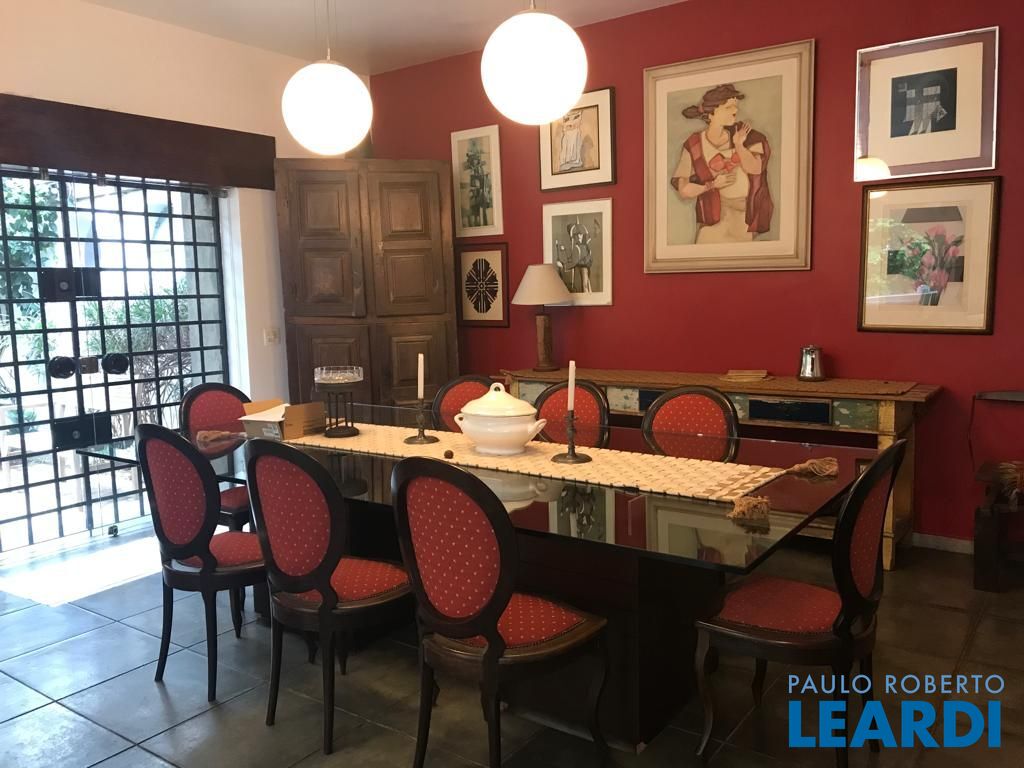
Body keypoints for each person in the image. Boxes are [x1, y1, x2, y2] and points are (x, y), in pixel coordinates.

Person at [670, 84, 773, 244]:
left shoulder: (746, 135)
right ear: (711, 114)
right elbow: (683, 190)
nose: (735, 110)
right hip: (712, 219)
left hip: (742, 218)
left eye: (735, 106)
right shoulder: (694, 144)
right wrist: (711, 185)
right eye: (728, 107)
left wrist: (739, 145)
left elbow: (755, 168)